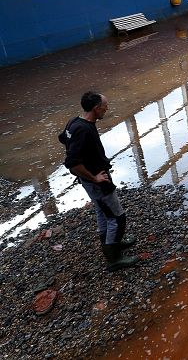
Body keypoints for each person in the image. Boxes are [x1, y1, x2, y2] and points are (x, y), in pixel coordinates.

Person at [58, 92, 138, 271]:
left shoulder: (74, 122)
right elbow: (72, 163)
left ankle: (113, 243)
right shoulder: (84, 129)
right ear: (96, 108)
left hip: (89, 180)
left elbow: (63, 139)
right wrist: (94, 177)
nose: (107, 109)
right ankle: (114, 258)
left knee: (103, 213)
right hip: (97, 182)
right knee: (117, 217)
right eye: (105, 106)